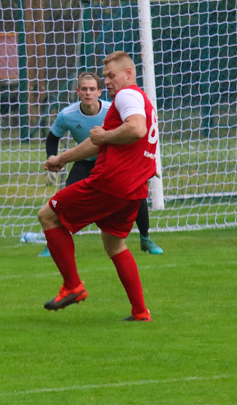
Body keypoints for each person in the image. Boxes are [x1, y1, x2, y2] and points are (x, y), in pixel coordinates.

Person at [39, 51, 158, 321]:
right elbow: (100, 141)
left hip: (111, 183)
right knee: (114, 243)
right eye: (104, 76)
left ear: (128, 74)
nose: (107, 82)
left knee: (47, 214)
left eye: (110, 75)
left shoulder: (126, 96)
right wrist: (61, 159)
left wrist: (105, 134)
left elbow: (136, 130)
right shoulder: (141, 100)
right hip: (134, 190)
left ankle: (73, 286)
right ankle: (140, 312)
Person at [43, 72, 163, 256]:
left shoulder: (112, 110)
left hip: (110, 161)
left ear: (100, 92)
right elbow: (52, 138)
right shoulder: (67, 115)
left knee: (137, 196)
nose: (88, 93)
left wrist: (147, 161)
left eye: (92, 89)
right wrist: (52, 158)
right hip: (84, 162)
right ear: (78, 92)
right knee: (66, 197)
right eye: (84, 89)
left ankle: (145, 238)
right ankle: (53, 242)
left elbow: (136, 132)